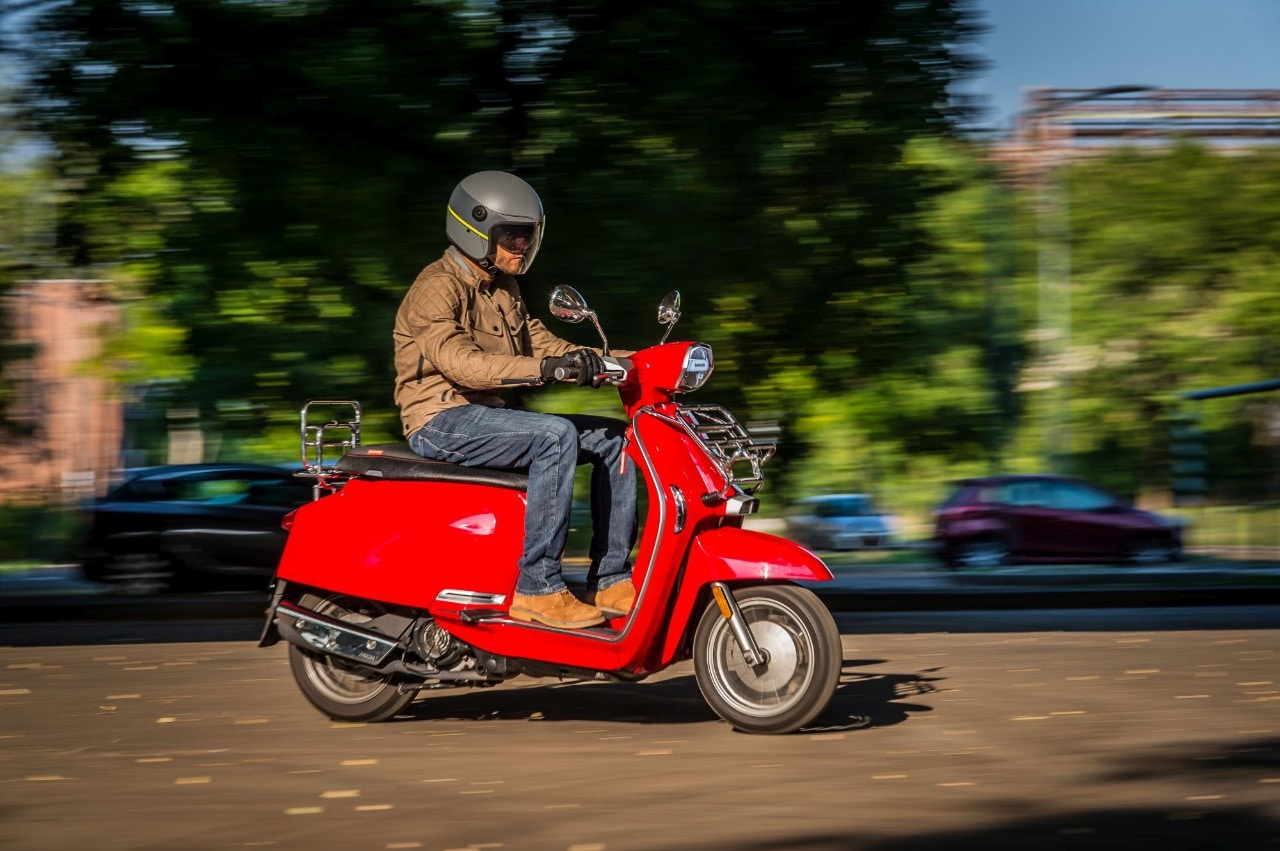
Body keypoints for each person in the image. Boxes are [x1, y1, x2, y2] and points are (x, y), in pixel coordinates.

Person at [392, 170, 637, 629]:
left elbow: (542, 344)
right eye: (511, 234)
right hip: (440, 419)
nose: (521, 244)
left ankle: (611, 578)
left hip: (486, 416)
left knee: (615, 439)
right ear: (475, 226)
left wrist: (631, 361)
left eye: (526, 234)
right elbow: (462, 363)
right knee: (555, 435)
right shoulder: (437, 286)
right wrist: (544, 370)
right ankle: (537, 587)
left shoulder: (504, 287)